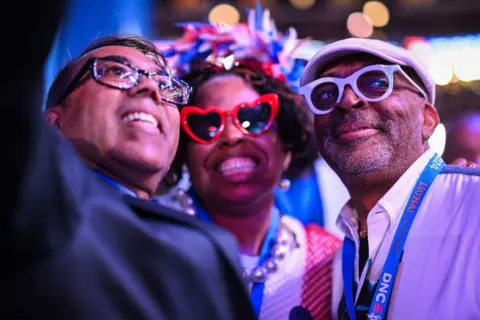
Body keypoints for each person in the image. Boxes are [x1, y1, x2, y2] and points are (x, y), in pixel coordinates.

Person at [2, 3, 255, 319]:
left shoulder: (209, 246)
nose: (150, 88)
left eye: (165, 85)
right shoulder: (33, 203)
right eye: (117, 72)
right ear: (53, 124)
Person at [159, 6, 341, 319]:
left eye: (253, 118)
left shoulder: (328, 260)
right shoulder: (147, 246)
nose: (231, 136)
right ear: (184, 153)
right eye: (205, 124)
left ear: (286, 148)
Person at [299, 38, 480, 320]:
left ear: (427, 120)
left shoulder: (472, 208)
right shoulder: (340, 258)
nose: (347, 100)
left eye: (375, 83)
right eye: (325, 94)